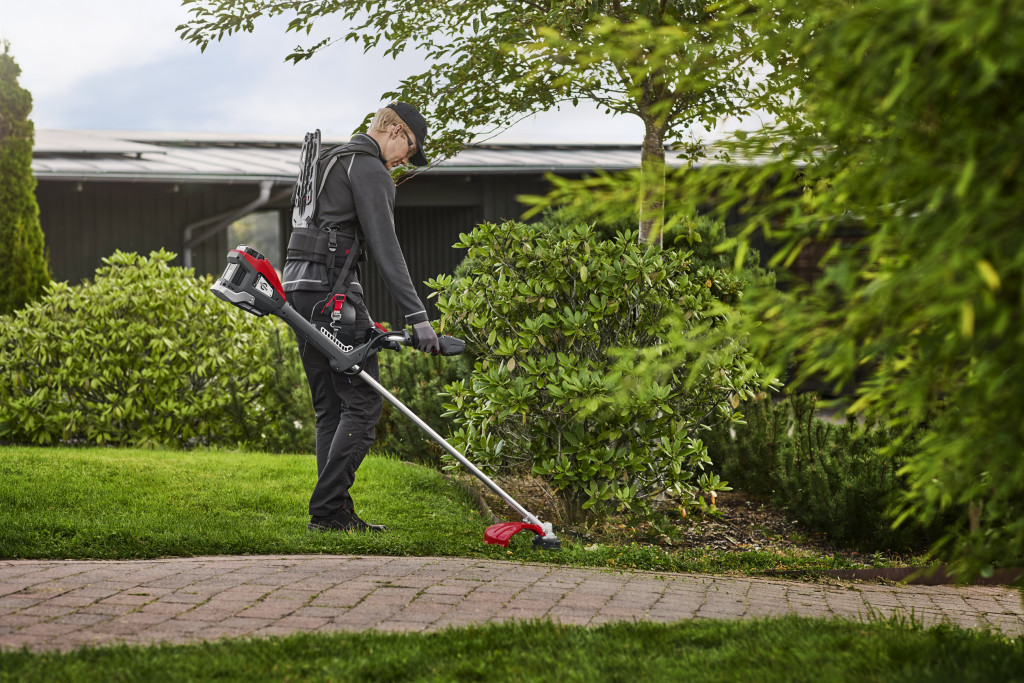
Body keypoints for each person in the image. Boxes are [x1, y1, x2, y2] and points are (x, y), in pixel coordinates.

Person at [281, 101, 440, 533]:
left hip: (298, 290)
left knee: (331, 408)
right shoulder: (369, 169)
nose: (406, 159)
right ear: (395, 130)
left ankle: (332, 514)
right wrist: (418, 317)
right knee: (365, 404)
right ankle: (326, 509)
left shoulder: (329, 161)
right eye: (410, 147)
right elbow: (386, 248)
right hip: (331, 295)